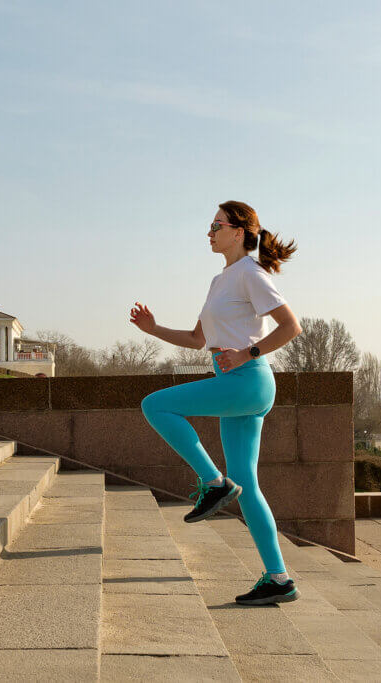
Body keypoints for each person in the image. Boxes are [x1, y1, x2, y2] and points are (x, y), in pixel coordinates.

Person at [130, 200, 302, 606]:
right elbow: (197, 340)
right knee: (249, 486)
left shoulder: (251, 273)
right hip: (236, 385)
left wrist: (247, 353)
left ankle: (213, 482)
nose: (209, 233)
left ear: (238, 232)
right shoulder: (219, 281)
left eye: (216, 226)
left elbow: (291, 326)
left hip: (248, 380)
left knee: (156, 405)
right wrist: (153, 329)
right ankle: (278, 577)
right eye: (210, 226)